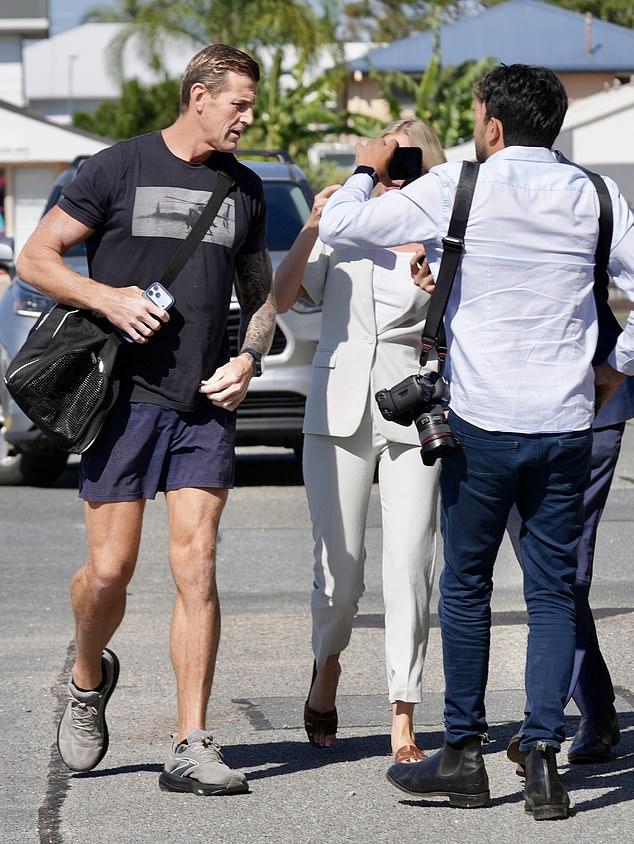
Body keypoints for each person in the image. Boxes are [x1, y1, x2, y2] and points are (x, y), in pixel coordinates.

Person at [319, 63, 634, 820]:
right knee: (554, 591)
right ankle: (545, 761)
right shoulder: (597, 195)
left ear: (491, 125)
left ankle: (462, 755)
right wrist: (614, 371)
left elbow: (339, 226)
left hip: (481, 425)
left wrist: (366, 170)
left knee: (465, 588)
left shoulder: (462, 184)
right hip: (565, 423)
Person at [16, 43, 276, 797]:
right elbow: (37, 258)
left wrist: (249, 360)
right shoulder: (116, 167)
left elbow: (259, 297)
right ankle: (88, 676)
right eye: (239, 104)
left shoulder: (246, 190)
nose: (248, 117)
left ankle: (192, 740)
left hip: (202, 405)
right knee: (109, 571)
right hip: (122, 400)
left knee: (197, 565)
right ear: (199, 95)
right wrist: (109, 298)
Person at [274, 118, 446, 762]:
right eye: (385, 161)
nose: (394, 173)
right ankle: (328, 664)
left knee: (410, 566)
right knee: (339, 577)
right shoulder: (344, 219)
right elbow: (285, 296)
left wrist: (441, 294)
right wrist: (314, 224)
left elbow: (467, 322)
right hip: (338, 406)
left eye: (407, 161)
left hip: (414, 407)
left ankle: (404, 710)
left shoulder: (443, 231)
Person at [506, 374, 634, 769]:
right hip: (499, 417)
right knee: (547, 575)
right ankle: (597, 709)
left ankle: (541, 721)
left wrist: (615, 365)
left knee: (562, 576)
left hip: (590, 407)